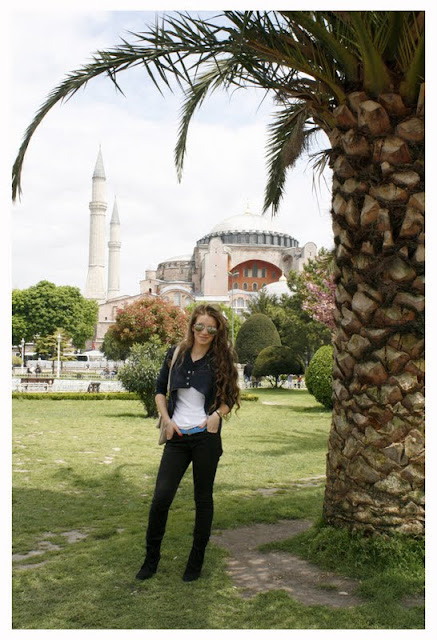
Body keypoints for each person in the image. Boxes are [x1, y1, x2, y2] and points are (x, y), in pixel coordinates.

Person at [136, 304, 240, 583]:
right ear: (192, 326)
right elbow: (160, 390)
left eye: (211, 329)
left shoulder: (221, 359)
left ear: (217, 332)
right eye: (200, 326)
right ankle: (150, 560)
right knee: (161, 498)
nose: (204, 332)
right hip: (177, 437)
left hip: (206, 437)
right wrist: (167, 420)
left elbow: (230, 397)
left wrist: (217, 415)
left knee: (202, 499)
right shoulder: (176, 354)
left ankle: (195, 562)